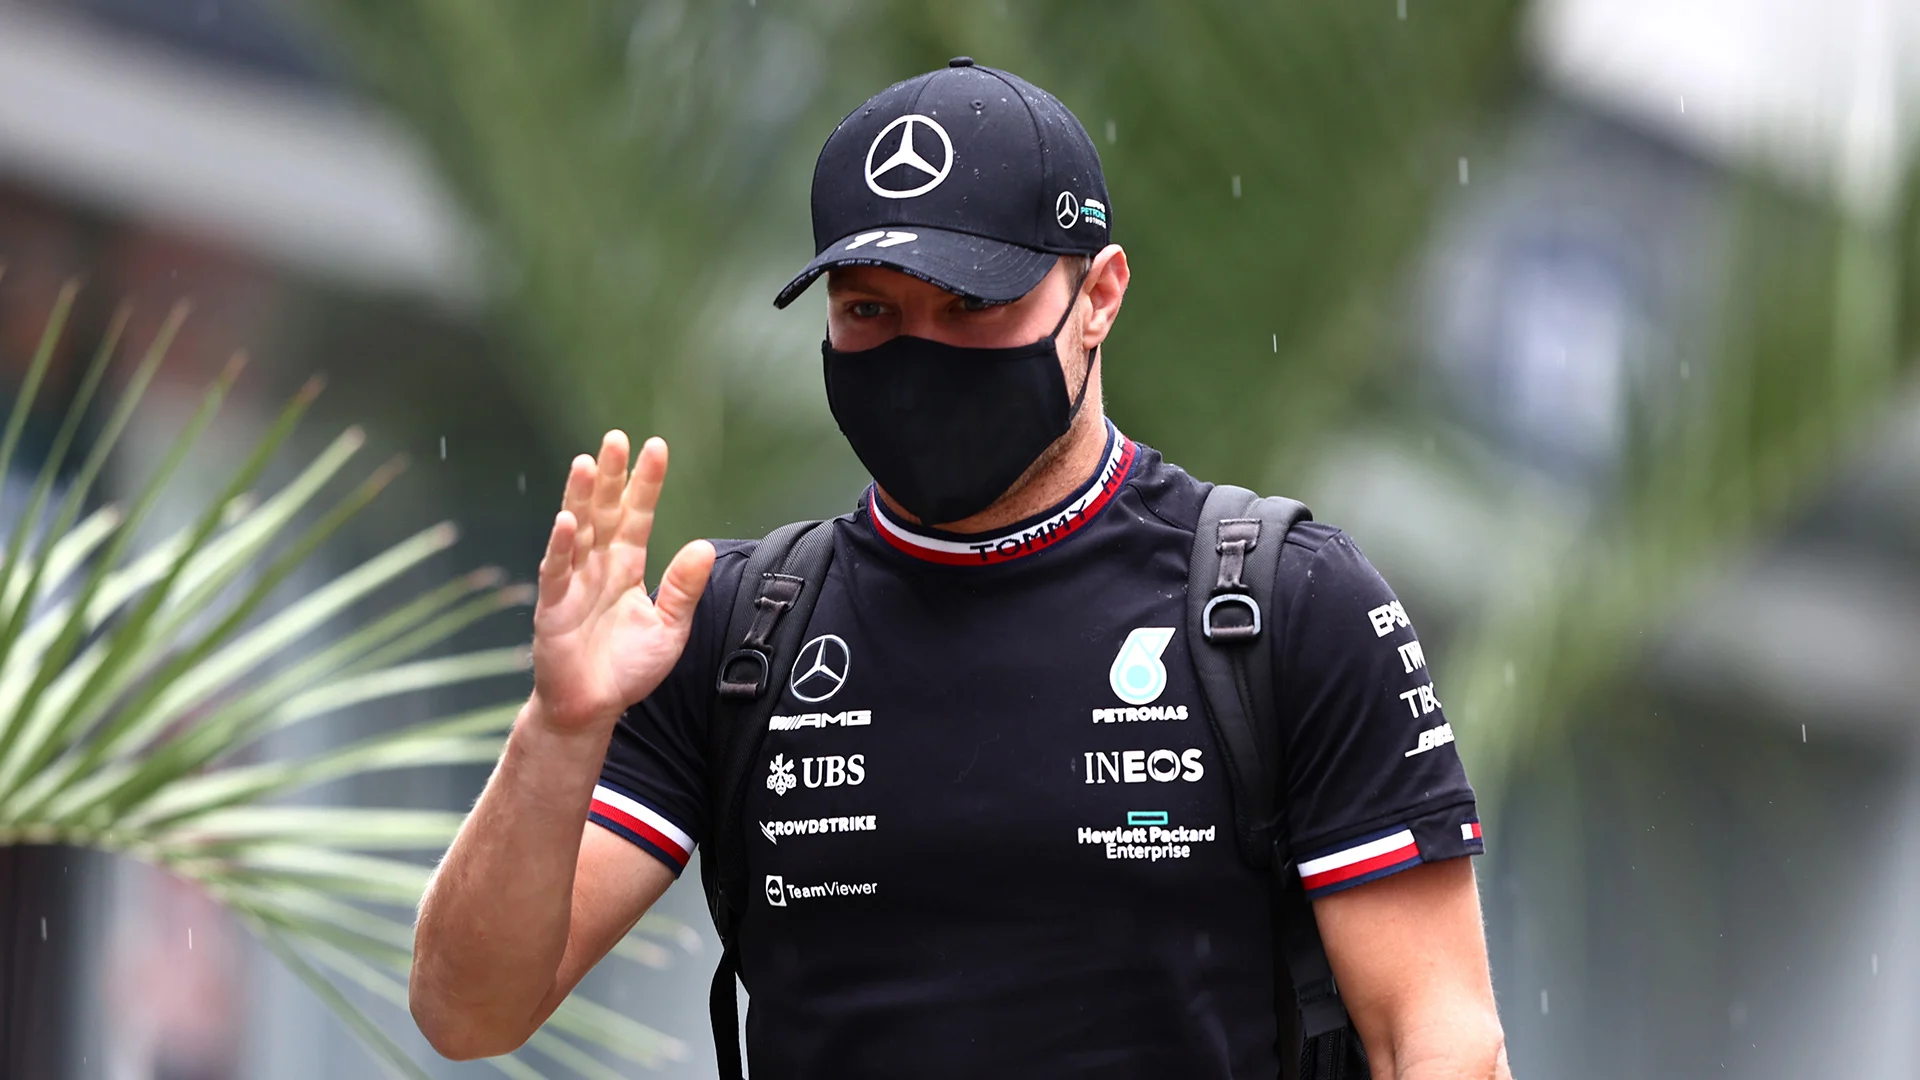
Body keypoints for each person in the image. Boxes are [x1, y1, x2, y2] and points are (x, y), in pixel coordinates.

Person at [410, 59, 1511, 1079]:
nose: (921, 353)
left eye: (974, 307)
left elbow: (1440, 1035)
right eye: (871, 313)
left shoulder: (1283, 607)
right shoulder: (738, 633)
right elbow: (468, 1013)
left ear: (1102, 296)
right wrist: (559, 729)